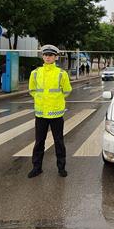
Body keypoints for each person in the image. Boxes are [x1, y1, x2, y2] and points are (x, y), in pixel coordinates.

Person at [28, 44, 72, 178]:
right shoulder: (35, 73)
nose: (48, 57)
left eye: (51, 55)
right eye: (46, 55)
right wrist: (40, 100)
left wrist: (55, 100)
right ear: (43, 56)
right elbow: (32, 90)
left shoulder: (61, 74)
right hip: (40, 113)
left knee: (58, 141)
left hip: (56, 113)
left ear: (56, 57)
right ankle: (36, 167)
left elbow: (67, 91)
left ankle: (61, 168)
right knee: (39, 142)